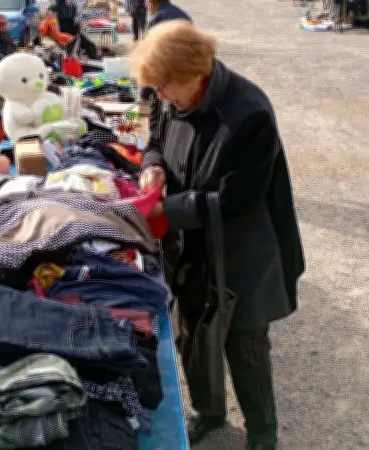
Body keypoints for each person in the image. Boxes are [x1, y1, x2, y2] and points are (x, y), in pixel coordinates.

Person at [130, 21, 305, 450]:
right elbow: (155, 137)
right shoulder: (176, 96)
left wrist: (163, 210)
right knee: (193, 334)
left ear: (196, 70)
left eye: (166, 86)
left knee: (244, 345)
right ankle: (209, 412)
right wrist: (152, 163)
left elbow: (236, 200)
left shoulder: (250, 114)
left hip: (243, 253)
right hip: (191, 245)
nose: (163, 96)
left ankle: (263, 432)